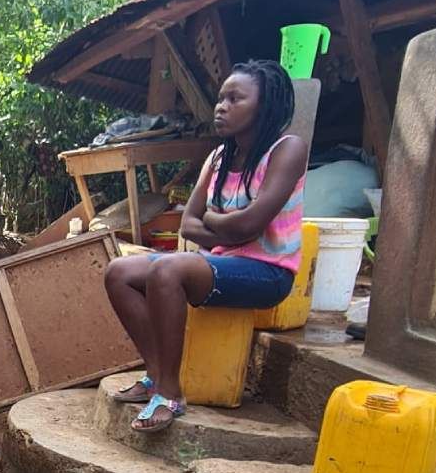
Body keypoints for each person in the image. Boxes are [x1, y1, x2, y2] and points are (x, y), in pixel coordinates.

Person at [104, 59, 306, 432]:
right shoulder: (217, 158)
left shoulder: (286, 150)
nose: (221, 107)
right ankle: (155, 374)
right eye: (220, 98)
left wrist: (216, 222)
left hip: (268, 273)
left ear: (264, 106)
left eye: (235, 99)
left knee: (168, 268)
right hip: (218, 263)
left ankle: (170, 393)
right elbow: (189, 224)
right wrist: (227, 229)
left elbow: (250, 224)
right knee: (118, 272)